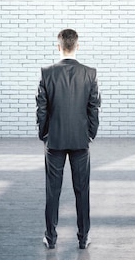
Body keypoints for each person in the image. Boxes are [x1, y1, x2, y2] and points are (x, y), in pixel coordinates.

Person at [36, 29, 101, 250]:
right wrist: (90, 133)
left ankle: (51, 238)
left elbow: (41, 109)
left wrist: (44, 133)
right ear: (77, 46)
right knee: (82, 190)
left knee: (52, 190)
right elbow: (94, 107)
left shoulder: (47, 73)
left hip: (54, 140)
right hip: (80, 140)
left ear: (59, 46)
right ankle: (83, 238)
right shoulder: (90, 73)